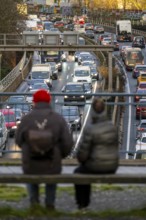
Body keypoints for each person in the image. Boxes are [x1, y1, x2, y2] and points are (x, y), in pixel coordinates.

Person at [15, 89, 73, 210]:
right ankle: (50, 204)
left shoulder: (26, 119)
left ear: (34, 102)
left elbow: (18, 141)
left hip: (30, 163)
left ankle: (34, 203)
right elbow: (67, 143)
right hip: (52, 164)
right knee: (51, 181)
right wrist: (58, 155)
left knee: (31, 178)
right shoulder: (58, 119)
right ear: (49, 101)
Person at [74, 97, 119, 210]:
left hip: (95, 166)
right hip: (112, 166)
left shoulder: (90, 128)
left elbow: (82, 155)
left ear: (92, 111)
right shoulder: (112, 127)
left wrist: (82, 159)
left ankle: (82, 204)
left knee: (79, 172)